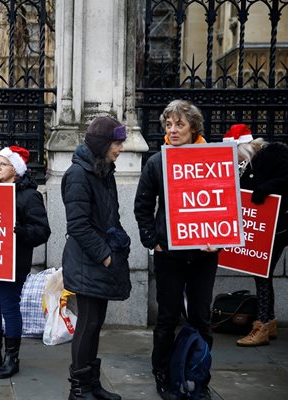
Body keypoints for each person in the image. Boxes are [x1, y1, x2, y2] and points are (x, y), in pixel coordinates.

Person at [134, 100, 218, 400]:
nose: (173, 130)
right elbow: (142, 206)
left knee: (201, 317)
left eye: (179, 124)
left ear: (194, 127)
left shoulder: (214, 158)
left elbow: (227, 203)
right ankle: (163, 372)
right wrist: (151, 238)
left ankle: (199, 375)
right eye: (168, 125)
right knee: (167, 318)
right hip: (169, 254)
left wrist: (220, 236)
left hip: (205, 254)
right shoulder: (157, 162)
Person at [62, 116, 131, 400]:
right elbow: (77, 225)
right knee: (87, 324)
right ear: (103, 144)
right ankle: (79, 389)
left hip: (99, 260)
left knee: (95, 324)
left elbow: (108, 216)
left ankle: (91, 385)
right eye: (117, 143)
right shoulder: (79, 174)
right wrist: (105, 257)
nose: (121, 148)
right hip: (87, 262)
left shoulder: (102, 169)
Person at [0, 146, 51, 379]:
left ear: (15, 170)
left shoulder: (29, 196)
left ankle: (11, 358)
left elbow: (42, 231)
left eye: (3, 164)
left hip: (12, 264)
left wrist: (20, 231)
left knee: (9, 308)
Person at [222, 124, 288, 346]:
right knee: (263, 273)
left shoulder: (272, 152)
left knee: (262, 272)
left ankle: (261, 326)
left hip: (278, 227)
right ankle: (268, 323)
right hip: (267, 227)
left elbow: (285, 178)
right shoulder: (244, 164)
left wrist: (265, 188)